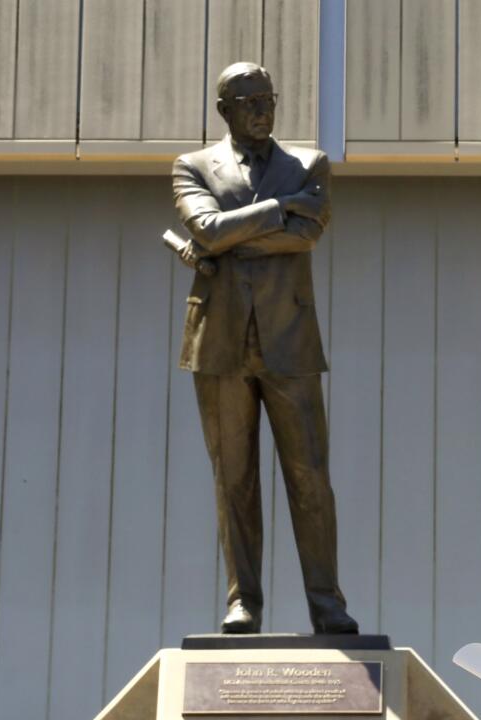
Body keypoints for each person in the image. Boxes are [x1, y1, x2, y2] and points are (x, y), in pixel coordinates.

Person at [170, 62, 357, 635]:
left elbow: (308, 234)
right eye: (247, 100)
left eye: (268, 97)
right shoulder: (192, 166)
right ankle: (242, 600)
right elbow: (205, 230)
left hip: (290, 343)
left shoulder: (308, 164)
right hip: (219, 345)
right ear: (223, 109)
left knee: (310, 478)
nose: (261, 108)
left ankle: (326, 603)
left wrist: (231, 237)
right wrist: (279, 210)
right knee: (234, 479)